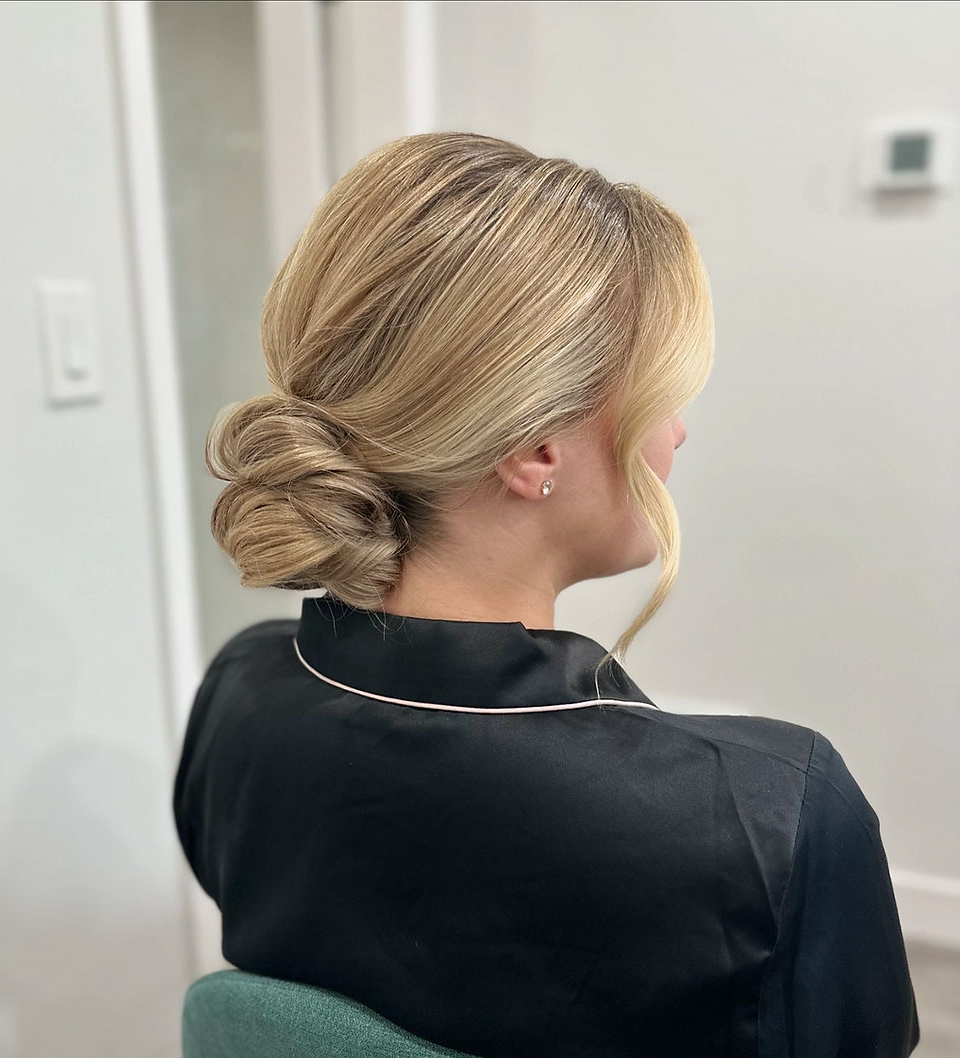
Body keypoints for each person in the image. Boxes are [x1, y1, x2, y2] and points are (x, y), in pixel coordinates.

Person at [172, 131, 921, 1057]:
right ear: (535, 450)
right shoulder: (774, 820)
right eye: (662, 394)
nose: (679, 433)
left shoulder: (239, 693)